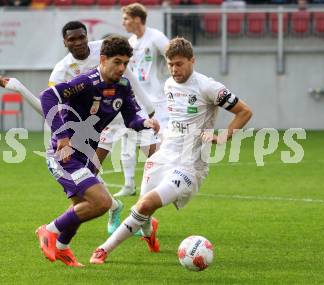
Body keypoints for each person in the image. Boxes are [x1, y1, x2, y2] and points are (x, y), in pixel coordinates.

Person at [89, 37, 253, 264]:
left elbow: (244, 111)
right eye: (170, 64)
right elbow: (178, 118)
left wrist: (223, 136)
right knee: (143, 209)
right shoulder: (169, 85)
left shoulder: (208, 87)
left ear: (192, 61)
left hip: (189, 165)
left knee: (145, 205)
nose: (174, 69)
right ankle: (149, 233)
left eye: (179, 64)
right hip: (164, 155)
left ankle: (103, 250)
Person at [36, 36, 160, 267]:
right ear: (103, 60)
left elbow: (131, 118)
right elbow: (48, 96)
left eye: (125, 63)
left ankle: (62, 247)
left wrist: (145, 123)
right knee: (101, 203)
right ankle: (48, 231)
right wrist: (62, 137)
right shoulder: (86, 81)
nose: (122, 68)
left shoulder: (123, 86)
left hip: (85, 156)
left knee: (82, 206)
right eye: (117, 62)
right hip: (65, 155)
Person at [107, 3, 170, 197]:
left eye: (125, 18)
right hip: (136, 100)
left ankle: (168, 179)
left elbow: (173, 54)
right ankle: (128, 185)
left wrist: (172, 76)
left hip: (157, 101)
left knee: (160, 143)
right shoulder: (131, 43)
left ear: (136, 19)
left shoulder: (155, 36)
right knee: (127, 138)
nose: (123, 22)